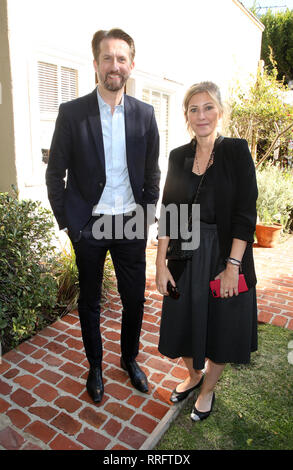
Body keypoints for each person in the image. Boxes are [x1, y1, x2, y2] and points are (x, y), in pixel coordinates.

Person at [46, 28, 160, 403]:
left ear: (131, 64)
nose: (115, 65)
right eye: (108, 58)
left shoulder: (145, 115)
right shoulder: (72, 113)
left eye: (121, 58)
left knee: (134, 299)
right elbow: (55, 172)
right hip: (89, 224)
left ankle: (129, 360)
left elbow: (152, 173)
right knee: (90, 301)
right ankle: (95, 367)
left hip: (129, 222)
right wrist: (69, 223)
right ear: (95, 63)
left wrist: (144, 219)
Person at [156, 81, 258, 422]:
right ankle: (193, 374)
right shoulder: (178, 156)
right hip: (184, 256)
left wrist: (233, 266)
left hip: (224, 254)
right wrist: (160, 262)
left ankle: (207, 389)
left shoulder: (236, 151)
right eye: (194, 109)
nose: (202, 115)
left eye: (209, 107)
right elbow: (169, 210)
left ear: (220, 111)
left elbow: (245, 213)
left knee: (223, 327)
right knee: (180, 321)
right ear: (186, 115)